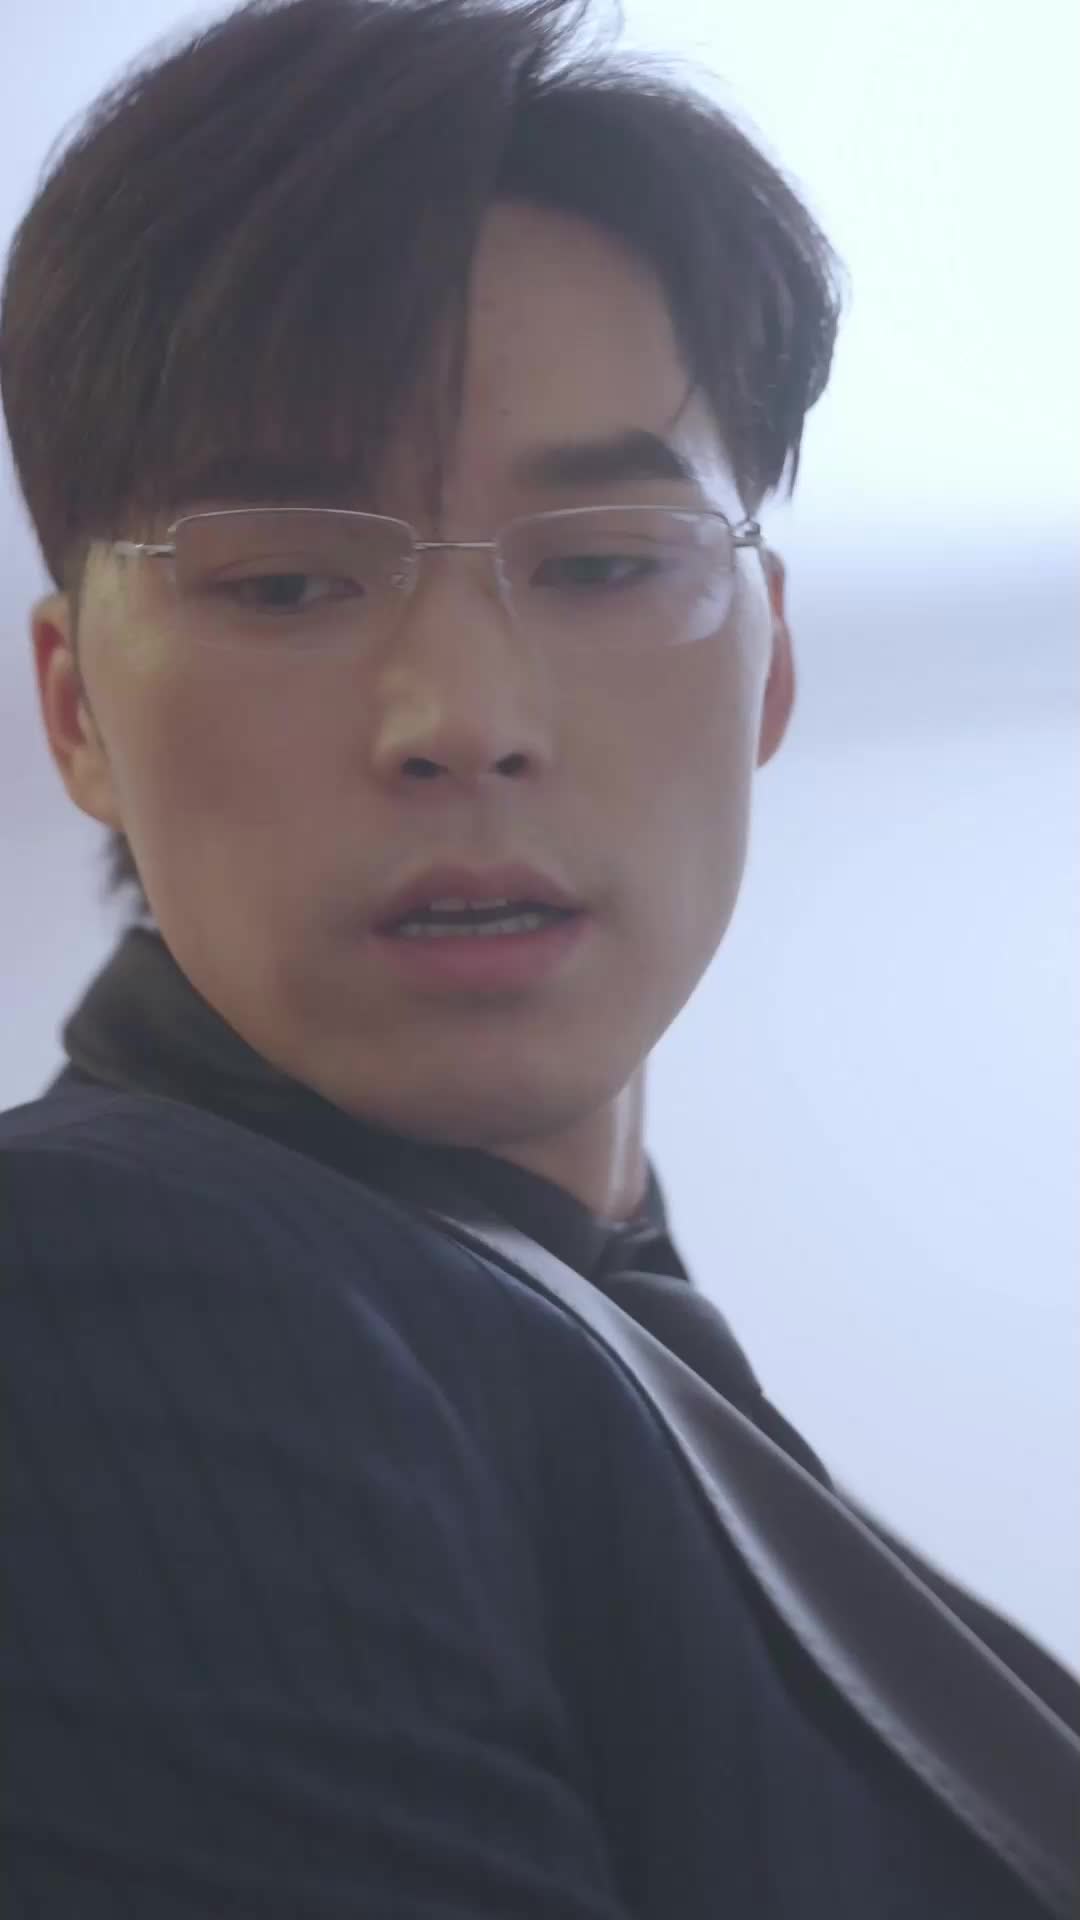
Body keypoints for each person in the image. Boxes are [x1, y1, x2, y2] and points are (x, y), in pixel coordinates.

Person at [1, 0, 1076, 1913]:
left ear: (770, 661)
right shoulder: (92, 1288)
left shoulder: (590, 1356)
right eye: (285, 583)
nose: (465, 719)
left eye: (600, 564)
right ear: (76, 708)